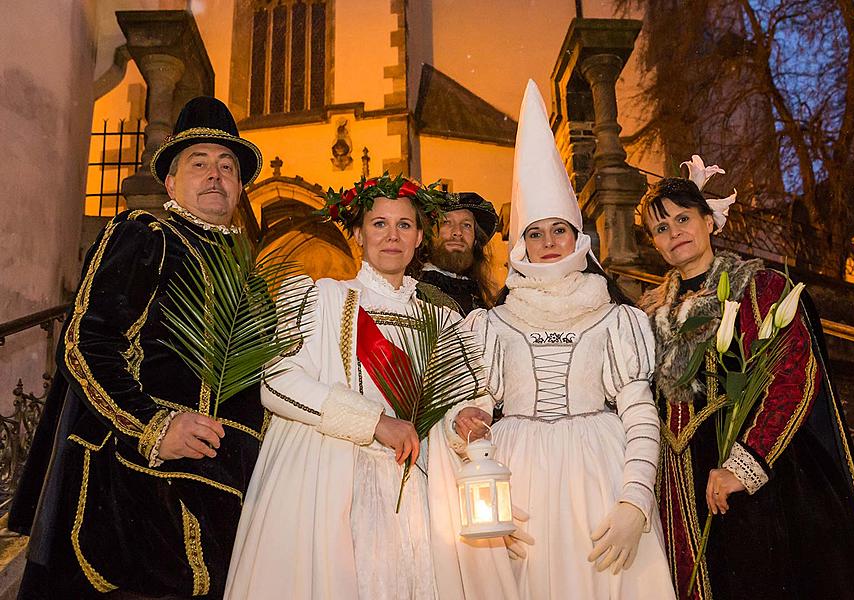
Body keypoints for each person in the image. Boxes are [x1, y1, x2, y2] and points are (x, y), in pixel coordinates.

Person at [9, 97, 268, 599]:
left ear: (239, 187)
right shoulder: (145, 235)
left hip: (233, 493)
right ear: (171, 184)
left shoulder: (253, 280)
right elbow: (87, 343)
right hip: (142, 487)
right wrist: (152, 427)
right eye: (199, 163)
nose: (215, 176)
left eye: (227, 166)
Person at [444, 80, 676, 599]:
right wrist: (480, 482)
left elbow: (640, 413)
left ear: (579, 237)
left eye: (559, 231)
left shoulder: (618, 320)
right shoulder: (491, 325)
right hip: (519, 484)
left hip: (601, 478)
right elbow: (470, 420)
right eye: (535, 233)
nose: (548, 244)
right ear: (520, 245)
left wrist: (636, 501)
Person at [224, 173, 492, 599]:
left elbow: (466, 399)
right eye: (378, 224)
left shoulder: (442, 320)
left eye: (404, 225)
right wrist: (374, 422)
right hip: (333, 485)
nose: (392, 236)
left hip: (418, 492)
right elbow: (278, 383)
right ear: (356, 234)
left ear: (421, 237)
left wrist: (467, 419)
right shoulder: (320, 297)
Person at [638, 161, 854, 599]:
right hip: (677, 490)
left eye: (683, 218)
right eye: (660, 228)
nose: (674, 232)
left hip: (757, 482)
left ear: (708, 220)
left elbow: (793, 375)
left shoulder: (761, 288)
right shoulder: (646, 313)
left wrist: (745, 464)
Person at [418, 192, 499, 315]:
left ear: (475, 240)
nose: (457, 232)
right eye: (446, 222)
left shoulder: (477, 293)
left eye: (466, 225)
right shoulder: (411, 290)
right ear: (428, 235)